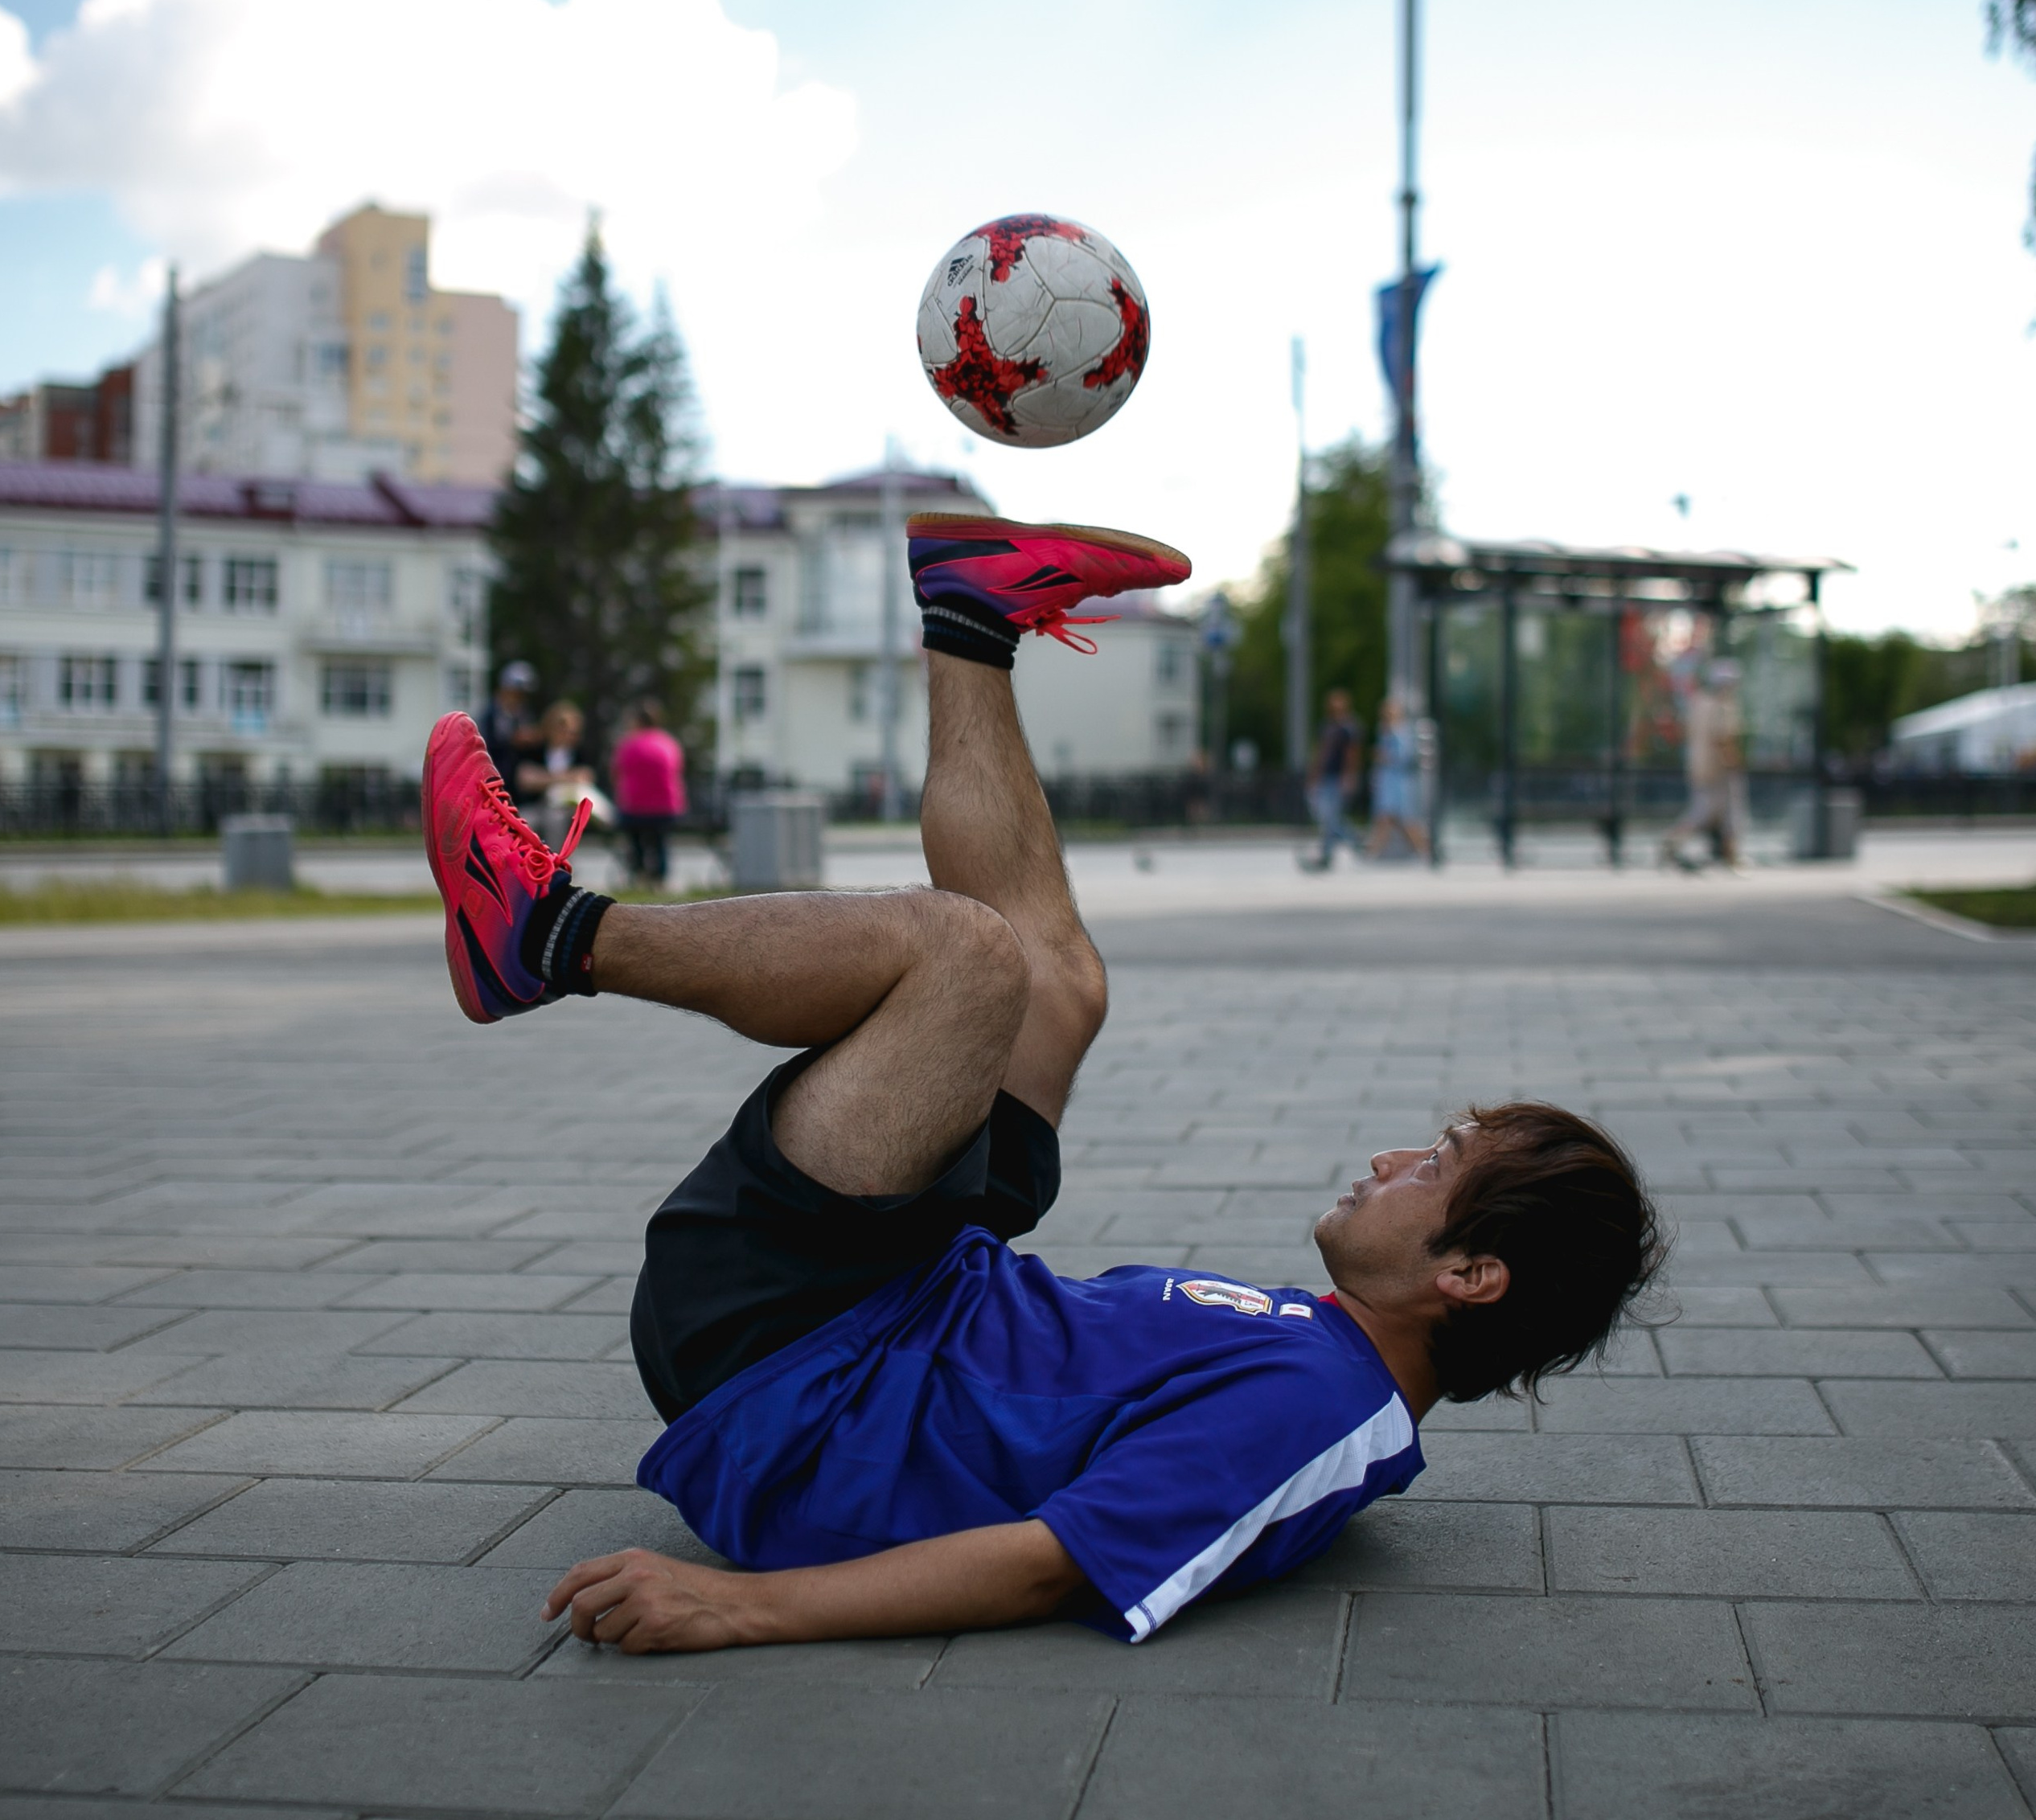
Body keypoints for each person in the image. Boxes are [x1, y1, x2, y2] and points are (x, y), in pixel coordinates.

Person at [421, 510, 1663, 1656]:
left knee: (962, 957)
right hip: (907, 1298)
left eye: (1438, 1164)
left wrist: (745, 1608)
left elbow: (1050, 1566)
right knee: (1058, 982)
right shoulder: (1332, 1357)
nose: (1397, 1158)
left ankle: (547, 936)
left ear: (1470, 1276)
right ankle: (969, 618)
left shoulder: (1322, 1412)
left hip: (796, 1376)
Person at [1660, 659, 1747, 871]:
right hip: (1719, 771)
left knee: (1705, 813)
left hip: (1698, 768)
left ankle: (1674, 842)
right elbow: (1723, 738)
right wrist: (1736, 764)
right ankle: (1732, 858)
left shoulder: (1698, 703)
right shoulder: (1722, 706)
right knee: (1730, 815)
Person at [614, 700, 688, 886]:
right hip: (666, 807)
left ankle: (638, 873)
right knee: (661, 844)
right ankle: (659, 878)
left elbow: (616, 772)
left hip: (635, 807)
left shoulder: (629, 744)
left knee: (636, 843)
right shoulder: (669, 744)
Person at [1300, 689, 1364, 871]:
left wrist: (1350, 776)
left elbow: (1352, 754)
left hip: (1338, 777)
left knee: (1330, 819)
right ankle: (1354, 840)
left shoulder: (1350, 727)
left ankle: (1328, 855)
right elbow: (1320, 753)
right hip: (1325, 776)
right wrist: (1313, 774)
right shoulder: (1326, 726)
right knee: (1327, 818)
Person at [1365, 696, 1431, 862]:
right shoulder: (1384, 731)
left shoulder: (1401, 732)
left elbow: (1404, 757)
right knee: (1389, 820)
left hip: (1398, 784)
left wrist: (1385, 757)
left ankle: (1426, 852)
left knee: (1403, 821)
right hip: (1388, 783)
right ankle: (1372, 854)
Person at [516, 699, 599, 832]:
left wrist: (543, 778)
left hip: (566, 810)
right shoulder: (535, 750)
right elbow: (526, 780)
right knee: (522, 820)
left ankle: (555, 854)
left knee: (555, 819)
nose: (567, 735)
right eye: (562, 730)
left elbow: (586, 778)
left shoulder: (580, 754)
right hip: (536, 805)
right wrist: (566, 777)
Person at [474, 661, 540, 800]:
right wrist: (512, 741)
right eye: (517, 694)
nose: (520, 699)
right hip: (492, 782)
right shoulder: (490, 716)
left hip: (515, 788)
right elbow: (484, 748)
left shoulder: (523, 715)